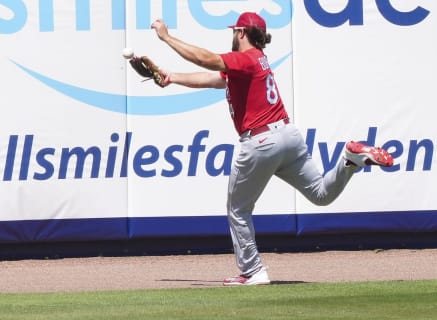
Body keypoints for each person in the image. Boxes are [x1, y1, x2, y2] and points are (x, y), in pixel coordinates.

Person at [149, 12, 393, 286]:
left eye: (234, 31)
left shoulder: (245, 58)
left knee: (238, 209)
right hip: (287, 136)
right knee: (321, 195)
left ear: (241, 32)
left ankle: (253, 271)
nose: (232, 35)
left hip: (261, 142)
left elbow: (206, 58)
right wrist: (172, 77)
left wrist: (166, 37)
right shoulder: (253, 63)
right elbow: (213, 79)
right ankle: (349, 159)